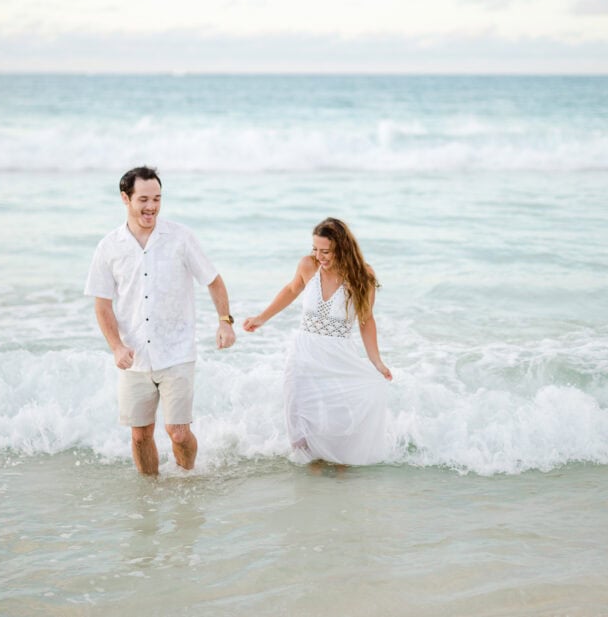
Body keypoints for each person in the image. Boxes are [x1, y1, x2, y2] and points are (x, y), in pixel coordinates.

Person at [84, 166, 236, 476]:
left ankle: (187, 478)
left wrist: (225, 321)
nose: (151, 206)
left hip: (177, 351)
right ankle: (150, 493)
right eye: (143, 199)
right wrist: (116, 347)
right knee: (140, 436)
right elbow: (102, 305)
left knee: (178, 432)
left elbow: (214, 280)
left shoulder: (180, 237)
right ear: (125, 198)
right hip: (135, 355)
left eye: (157, 198)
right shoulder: (109, 246)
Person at [243, 217, 391, 466]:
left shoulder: (362, 275)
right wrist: (261, 318)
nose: (319, 256)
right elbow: (291, 290)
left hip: (338, 356)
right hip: (303, 351)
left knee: (339, 416)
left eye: (326, 251)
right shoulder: (308, 265)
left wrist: (376, 361)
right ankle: (312, 469)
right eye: (315, 249)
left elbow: (366, 320)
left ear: (342, 247)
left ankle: (342, 466)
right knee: (298, 410)